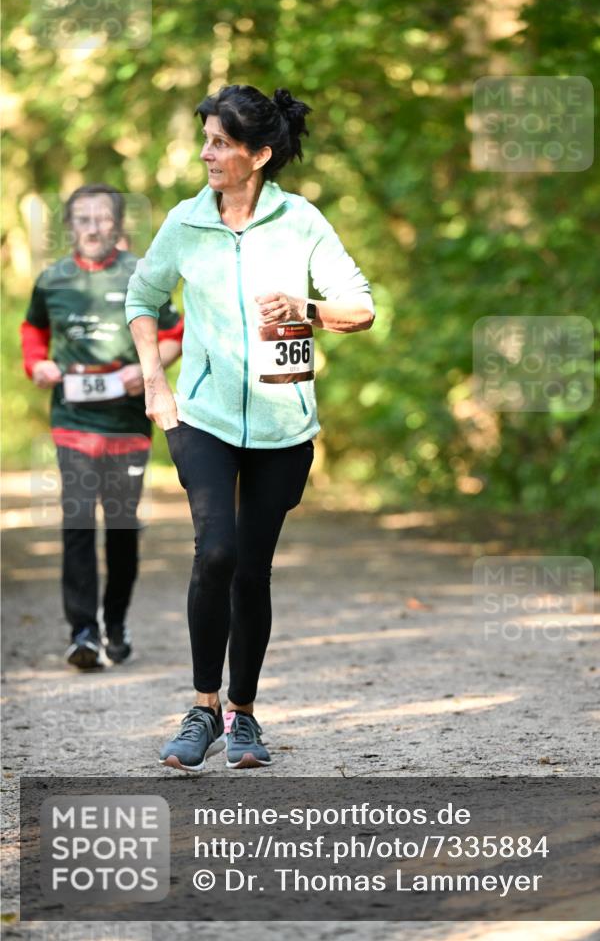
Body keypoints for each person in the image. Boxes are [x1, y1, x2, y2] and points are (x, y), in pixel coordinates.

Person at [126, 83, 374, 773]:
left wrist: (309, 307)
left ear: (258, 154)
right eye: (205, 139)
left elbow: (361, 308)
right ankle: (201, 708)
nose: (205, 152)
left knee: (252, 570)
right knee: (216, 552)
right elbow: (142, 296)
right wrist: (153, 377)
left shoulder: (301, 223)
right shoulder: (185, 222)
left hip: (283, 426)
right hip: (199, 416)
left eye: (220, 143)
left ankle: (242, 715)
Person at [21, 184, 184, 669]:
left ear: (118, 224)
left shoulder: (141, 274)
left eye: (102, 218)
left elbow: (175, 332)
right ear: (69, 226)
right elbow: (34, 329)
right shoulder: (53, 279)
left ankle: (115, 622)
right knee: (76, 524)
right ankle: (83, 634)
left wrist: (150, 369)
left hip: (127, 424)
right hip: (72, 420)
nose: (93, 227)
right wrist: (38, 366)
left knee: (120, 529)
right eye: (83, 219)